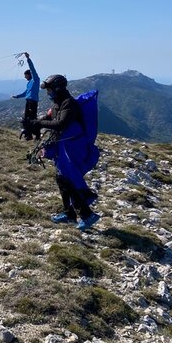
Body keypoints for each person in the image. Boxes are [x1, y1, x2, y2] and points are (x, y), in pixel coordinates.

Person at [30, 74, 101, 231]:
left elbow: (61, 123)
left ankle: (87, 215)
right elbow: (49, 117)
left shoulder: (69, 104)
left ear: (58, 88)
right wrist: (33, 124)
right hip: (63, 145)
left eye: (49, 89)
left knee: (69, 178)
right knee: (61, 179)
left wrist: (39, 123)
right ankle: (69, 213)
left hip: (73, 147)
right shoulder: (58, 103)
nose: (48, 93)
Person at [11, 52, 40, 140]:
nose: (25, 77)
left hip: (33, 102)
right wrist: (16, 96)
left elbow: (33, 70)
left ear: (29, 75)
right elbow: (25, 93)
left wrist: (28, 59)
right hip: (28, 101)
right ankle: (29, 135)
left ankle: (37, 134)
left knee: (32, 118)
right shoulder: (28, 83)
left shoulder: (35, 80)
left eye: (25, 76)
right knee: (26, 119)